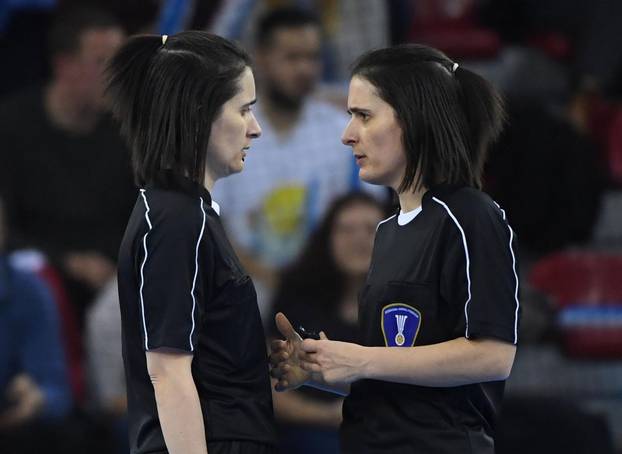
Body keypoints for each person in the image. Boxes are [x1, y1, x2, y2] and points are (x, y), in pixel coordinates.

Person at [270, 44, 520, 454]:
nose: (347, 134)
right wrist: (321, 370)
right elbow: (401, 370)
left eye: (364, 115)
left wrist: (361, 359)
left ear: (414, 120)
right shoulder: (386, 230)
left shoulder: (469, 215)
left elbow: (493, 355)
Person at [107, 31, 276, 454]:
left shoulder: (188, 213)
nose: (255, 129)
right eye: (244, 110)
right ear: (199, 114)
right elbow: (167, 370)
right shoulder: (176, 219)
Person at [211, 7, 385, 319]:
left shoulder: (343, 131)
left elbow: (370, 216)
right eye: (292, 58)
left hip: (329, 282)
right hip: (243, 276)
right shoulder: (228, 131)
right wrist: (261, 274)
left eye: (313, 58)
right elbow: (213, 222)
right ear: (261, 59)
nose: (305, 69)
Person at [0, 6, 134, 329]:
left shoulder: (127, 131)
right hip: (36, 278)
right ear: (63, 66)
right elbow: (5, 231)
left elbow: (142, 218)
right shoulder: (11, 127)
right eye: (102, 62)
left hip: (114, 282)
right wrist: (67, 262)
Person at [269, 192, 386, 453]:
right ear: (327, 238)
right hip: (307, 434)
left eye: (370, 229)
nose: (358, 239)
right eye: (346, 229)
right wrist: (328, 416)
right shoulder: (295, 296)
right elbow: (270, 389)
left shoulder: (404, 309)